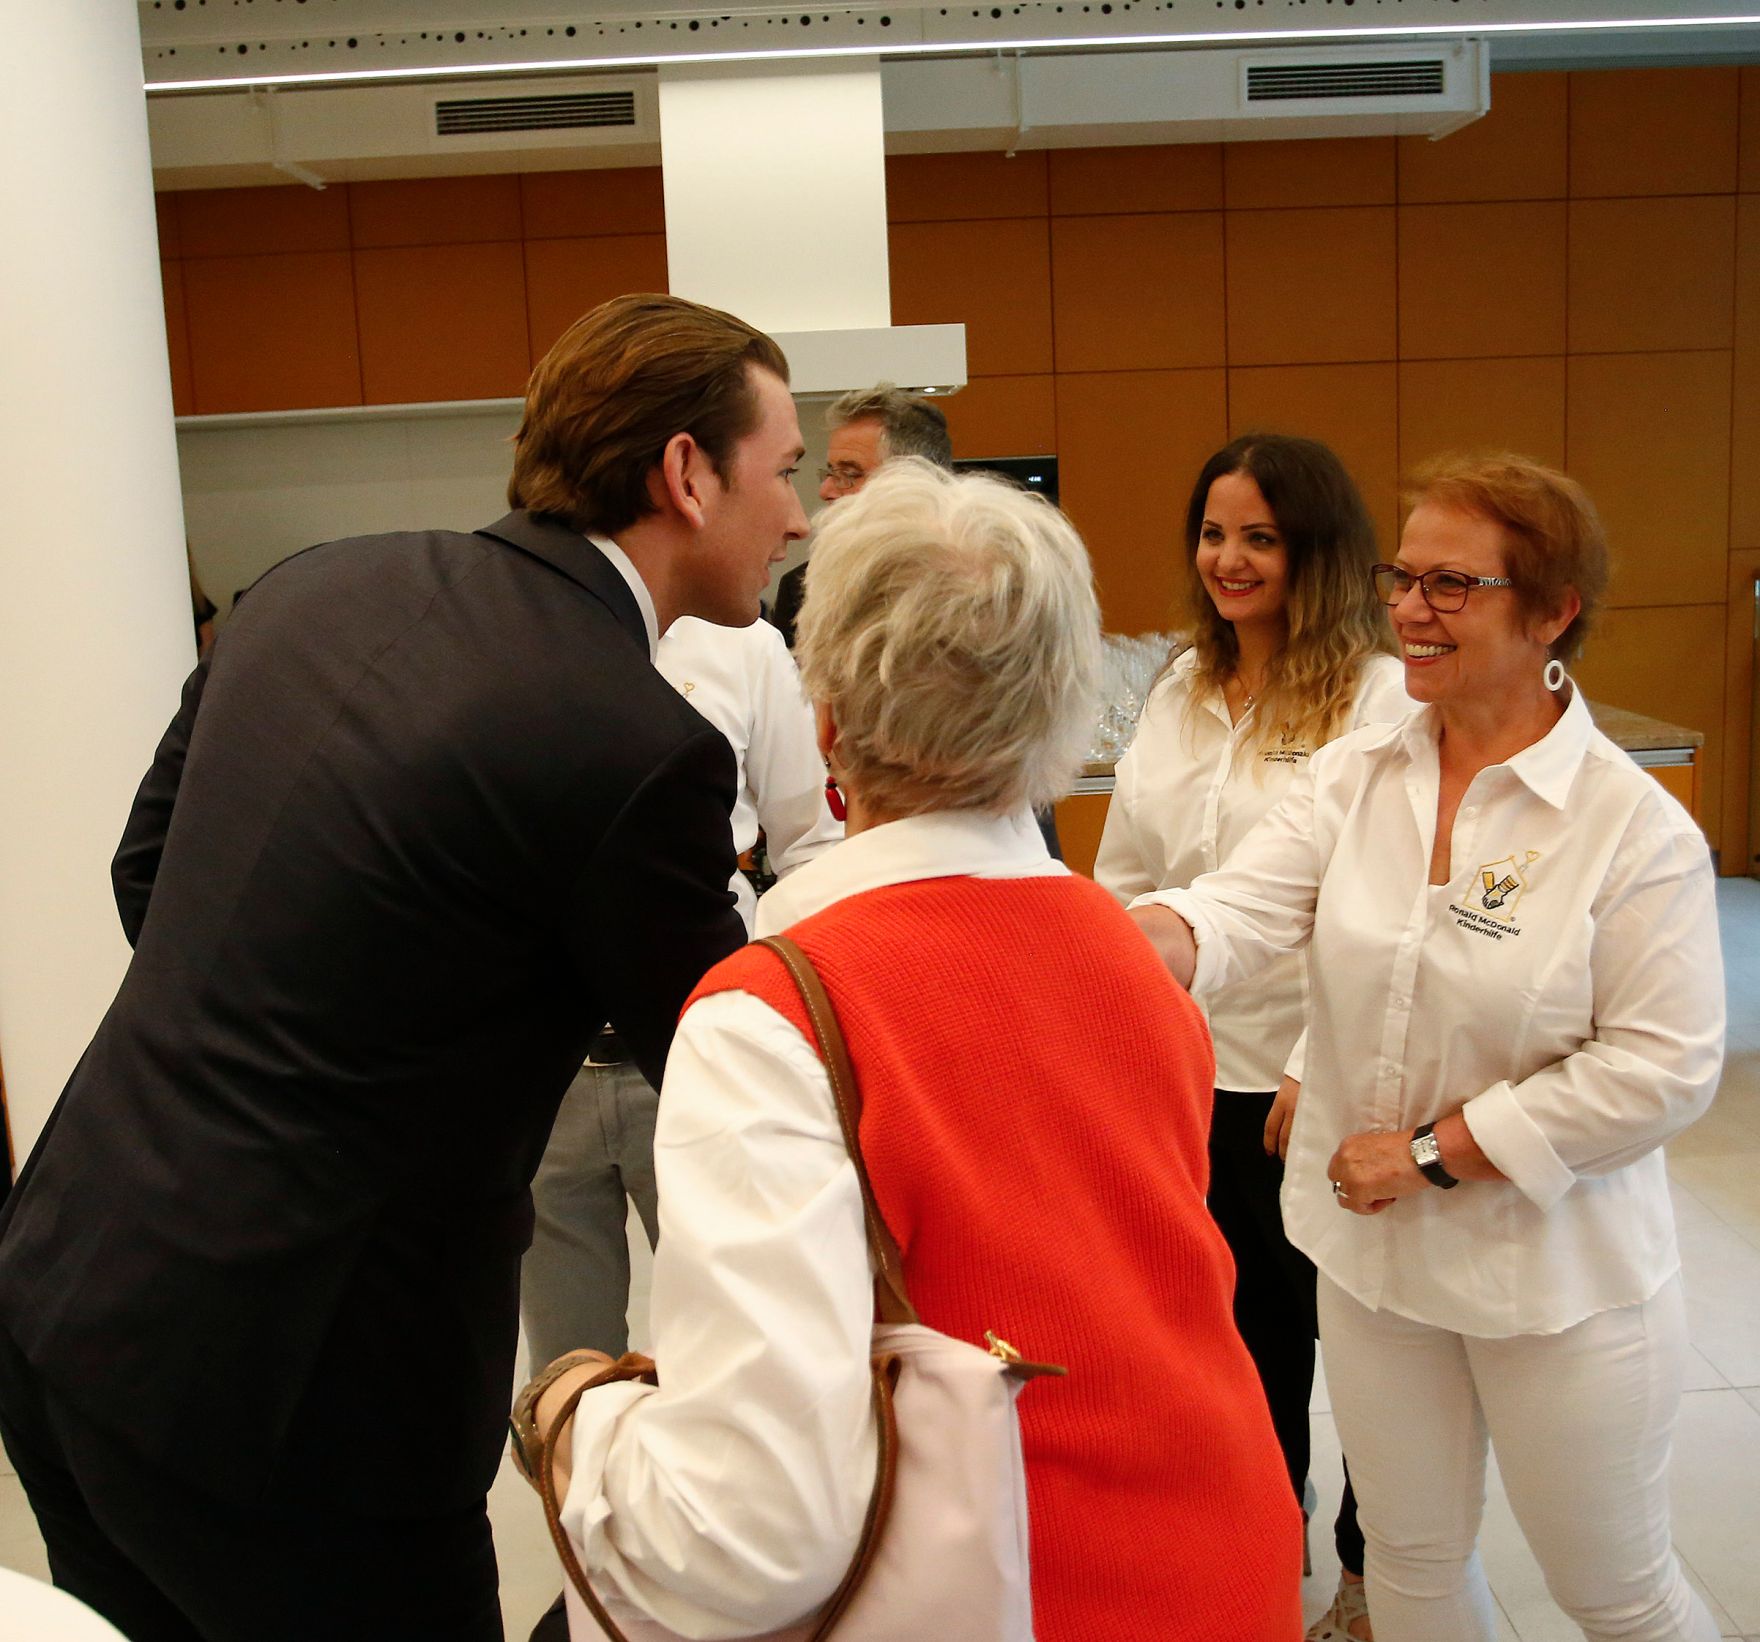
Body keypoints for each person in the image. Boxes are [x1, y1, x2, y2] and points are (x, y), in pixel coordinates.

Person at [0, 293, 809, 1642]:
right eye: (783, 469)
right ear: (686, 472)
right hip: (303, 1399)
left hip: (69, 1287)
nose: (794, 515)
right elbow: (724, 1064)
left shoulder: (314, 584)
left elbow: (149, 875)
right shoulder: (639, 744)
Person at [522, 460, 1302, 1642]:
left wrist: (574, 1415)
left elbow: (751, 1537)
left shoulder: (770, 1011)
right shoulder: (1131, 960)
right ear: (1058, 713)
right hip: (1221, 1559)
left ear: (825, 721)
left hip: (1006, 1592)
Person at [1130, 454, 1724, 1642]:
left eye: (1450, 584)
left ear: (1551, 610)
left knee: (1611, 1590)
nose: (1406, 607)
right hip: (1378, 1269)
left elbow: (1660, 1067)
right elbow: (1239, 908)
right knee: (1407, 1562)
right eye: (1402, 575)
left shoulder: (1628, 828)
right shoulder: (1359, 773)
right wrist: (1112, 946)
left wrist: (1429, 1152)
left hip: (1553, 1281)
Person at [1094, 432, 1408, 1640]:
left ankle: (1371, 1575)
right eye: (1214, 533)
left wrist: (1307, 1064)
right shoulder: (1177, 686)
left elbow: (1380, 909)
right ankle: (1257, 1542)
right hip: (1184, 1069)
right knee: (1233, 1337)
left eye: (1259, 537)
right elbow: (1128, 874)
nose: (1227, 558)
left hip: (1311, 1078)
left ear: (1313, 552)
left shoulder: (1373, 696)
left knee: (1359, 1348)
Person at [520, 609, 843, 1375]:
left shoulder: (747, 647)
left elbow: (811, 845)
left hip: (703, 1053)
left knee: (733, 1357)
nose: (795, 522)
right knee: (565, 1380)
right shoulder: (514, 627)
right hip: (547, 1071)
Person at [768, 382, 951, 649]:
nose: (826, 490)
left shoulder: (985, 586)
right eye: (830, 472)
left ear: (916, 481)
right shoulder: (801, 589)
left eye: (850, 475)